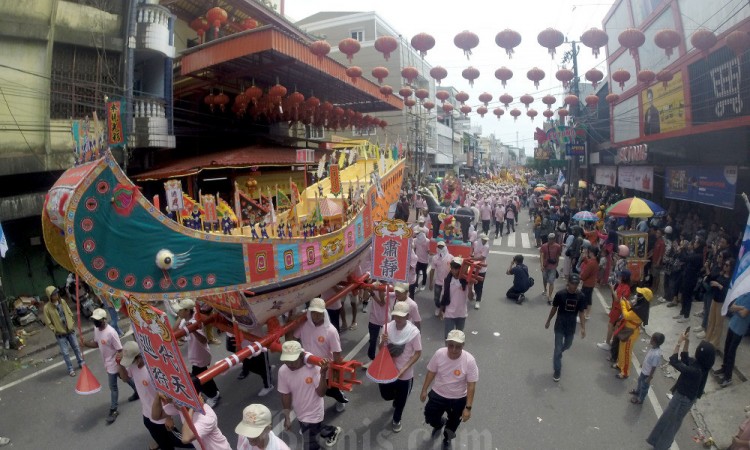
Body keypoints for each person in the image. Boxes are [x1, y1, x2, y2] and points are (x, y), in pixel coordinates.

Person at [646, 334, 715, 450]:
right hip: (684, 398)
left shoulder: (696, 371)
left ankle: (661, 446)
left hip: (682, 399)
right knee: (668, 421)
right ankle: (656, 442)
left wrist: (678, 343)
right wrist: (686, 342)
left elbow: (674, 361)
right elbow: (685, 358)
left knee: (670, 424)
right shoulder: (702, 366)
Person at [118, 341, 190, 450]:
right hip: (147, 414)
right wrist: (119, 365)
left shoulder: (153, 369)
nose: (130, 363)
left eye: (131, 360)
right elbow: (125, 378)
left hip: (161, 415)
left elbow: (166, 393)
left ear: (138, 357)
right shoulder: (133, 365)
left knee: (182, 441)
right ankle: (160, 442)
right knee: (162, 440)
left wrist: (168, 417)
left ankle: (204, 443)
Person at [278, 341, 342, 449]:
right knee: (314, 428)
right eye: (286, 360)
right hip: (300, 412)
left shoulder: (313, 368)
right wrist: (287, 417)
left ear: (301, 356)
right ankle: (332, 431)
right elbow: (285, 394)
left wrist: (322, 375)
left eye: (292, 361)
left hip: (314, 411)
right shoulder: (283, 371)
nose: (289, 364)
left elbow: (321, 393)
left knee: (310, 444)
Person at [420, 330, 478, 450]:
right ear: (447, 344)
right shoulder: (439, 354)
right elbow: (431, 372)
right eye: (451, 345)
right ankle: (440, 423)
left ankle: (447, 438)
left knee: (452, 425)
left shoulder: (470, 361)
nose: (454, 350)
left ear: (463, 346)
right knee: (430, 417)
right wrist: (424, 389)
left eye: (458, 347)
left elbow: (471, 385)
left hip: (458, 399)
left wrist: (468, 408)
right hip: (438, 394)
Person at [80, 308, 138, 424]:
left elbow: (120, 350)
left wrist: (119, 365)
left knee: (113, 387)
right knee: (124, 378)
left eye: (98, 320)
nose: (95, 322)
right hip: (107, 363)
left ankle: (113, 410)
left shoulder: (111, 332)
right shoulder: (96, 329)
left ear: (104, 320)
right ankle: (137, 390)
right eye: (94, 320)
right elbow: (97, 343)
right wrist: (85, 343)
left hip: (114, 363)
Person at [292, 298, 348, 412]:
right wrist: (292, 320)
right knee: (313, 391)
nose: (316, 316)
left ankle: (341, 399)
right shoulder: (304, 325)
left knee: (331, 391)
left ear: (324, 313)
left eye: (319, 313)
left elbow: (337, 354)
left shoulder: (331, 331)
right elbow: (293, 339)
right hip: (308, 368)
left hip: (326, 370)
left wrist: (337, 372)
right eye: (313, 312)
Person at [378, 301, 422, 432]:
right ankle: (396, 399)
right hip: (387, 370)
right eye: (396, 316)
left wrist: (405, 368)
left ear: (408, 316)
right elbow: (380, 350)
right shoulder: (386, 327)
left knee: (401, 401)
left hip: (405, 374)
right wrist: (383, 342)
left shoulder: (414, 332)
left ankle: (397, 419)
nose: (398, 319)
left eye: (401, 316)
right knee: (385, 395)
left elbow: (418, 352)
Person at [174, 299, 221, 408]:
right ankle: (215, 392)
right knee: (204, 376)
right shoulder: (186, 318)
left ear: (187, 310)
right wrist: (181, 316)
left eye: (179, 311)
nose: (177, 313)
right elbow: (175, 328)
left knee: (200, 378)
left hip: (201, 355)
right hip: (195, 354)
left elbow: (204, 340)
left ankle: (214, 395)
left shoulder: (195, 321)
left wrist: (193, 330)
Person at [153, 390, 232, 450]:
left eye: (175, 399)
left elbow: (186, 438)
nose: (171, 401)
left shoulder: (206, 416)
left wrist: (191, 409)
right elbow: (156, 416)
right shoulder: (180, 407)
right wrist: (157, 395)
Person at [544, 274, 586, 382]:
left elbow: (581, 312)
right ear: (568, 283)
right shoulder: (560, 294)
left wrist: (583, 327)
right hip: (560, 325)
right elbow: (554, 308)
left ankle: (559, 353)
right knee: (557, 349)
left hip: (571, 326)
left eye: (576, 284)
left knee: (568, 345)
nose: (574, 286)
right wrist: (548, 321)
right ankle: (557, 369)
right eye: (572, 283)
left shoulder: (580, 296)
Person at [42, 285, 84, 377]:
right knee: (65, 353)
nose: (56, 295)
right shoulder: (47, 308)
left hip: (70, 330)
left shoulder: (63, 302)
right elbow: (48, 322)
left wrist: (71, 323)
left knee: (76, 347)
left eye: (57, 293)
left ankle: (81, 362)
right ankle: (70, 369)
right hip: (60, 334)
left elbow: (69, 312)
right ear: (50, 296)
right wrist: (55, 330)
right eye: (54, 294)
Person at [713, 292, 750, 389]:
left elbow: (744, 314)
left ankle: (728, 377)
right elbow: (731, 307)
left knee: (731, 352)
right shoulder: (743, 294)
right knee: (726, 348)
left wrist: (738, 308)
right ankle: (724, 368)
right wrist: (740, 308)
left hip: (739, 329)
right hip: (732, 325)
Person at [597, 270, 632, 351]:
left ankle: (607, 343)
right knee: (613, 327)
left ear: (624, 277)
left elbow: (617, 299)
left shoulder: (626, 288)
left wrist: (612, 289)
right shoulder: (621, 285)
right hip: (615, 308)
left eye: (621, 276)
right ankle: (610, 341)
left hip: (618, 310)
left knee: (610, 325)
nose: (619, 277)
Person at [439, 257, 473, 338]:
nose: (454, 271)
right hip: (449, 313)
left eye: (457, 268)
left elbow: (471, 298)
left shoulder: (467, 281)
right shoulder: (447, 280)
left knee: (458, 338)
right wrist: (441, 310)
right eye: (453, 268)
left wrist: (470, 287)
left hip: (461, 314)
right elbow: (444, 295)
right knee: (448, 337)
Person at [703, 258, 734, 348]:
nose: (725, 266)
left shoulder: (730, 279)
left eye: (727, 265)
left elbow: (727, 292)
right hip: (715, 299)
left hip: (722, 302)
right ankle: (707, 338)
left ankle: (715, 343)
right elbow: (712, 277)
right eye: (725, 264)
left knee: (718, 324)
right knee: (711, 320)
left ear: (731, 267)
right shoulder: (721, 274)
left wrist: (718, 285)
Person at [630, 332, 664, 405]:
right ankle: (637, 391)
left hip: (647, 374)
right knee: (639, 381)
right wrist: (643, 364)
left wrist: (649, 377)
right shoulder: (653, 348)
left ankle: (640, 399)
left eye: (651, 339)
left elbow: (654, 367)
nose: (650, 340)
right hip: (644, 371)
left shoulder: (656, 354)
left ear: (654, 342)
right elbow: (648, 359)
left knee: (644, 387)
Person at [430, 241, 453, 317]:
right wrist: (431, 282)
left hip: (448, 282)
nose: (440, 248)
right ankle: (438, 307)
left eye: (442, 247)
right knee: (436, 298)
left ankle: (443, 310)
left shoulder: (450, 257)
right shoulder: (435, 258)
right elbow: (432, 270)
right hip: (438, 281)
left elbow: (454, 270)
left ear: (445, 247)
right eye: (439, 247)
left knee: (445, 297)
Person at [540, 233, 562, 304]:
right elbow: (542, 256)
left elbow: (558, 255)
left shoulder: (558, 246)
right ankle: (545, 289)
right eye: (549, 239)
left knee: (551, 281)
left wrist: (557, 264)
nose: (550, 240)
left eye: (552, 239)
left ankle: (550, 296)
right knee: (544, 278)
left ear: (554, 239)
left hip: (553, 266)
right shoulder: (544, 246)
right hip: (545, 265)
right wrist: (542, 265)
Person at [579, 246, 598, 320]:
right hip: (591, 283)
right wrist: (585, 257)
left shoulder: (591, 263)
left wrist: (580, 277)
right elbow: (589, 262)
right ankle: (587, 314)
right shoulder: (595, 261)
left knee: (584, 300)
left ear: (591, 253)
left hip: (587, 283)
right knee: (589, 299)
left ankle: (582, 315)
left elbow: (585, 275)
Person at [471, 234, 489, 310]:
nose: (485, 241)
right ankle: (475, 292)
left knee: (480, 285)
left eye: (486, 240)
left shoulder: (486, 247)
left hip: (481, 268)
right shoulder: (475, 243)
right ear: (480, 240)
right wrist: (471, 254)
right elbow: (472, 249)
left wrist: (473, 258)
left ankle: (478, 300)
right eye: (483, 240)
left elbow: (482, 258)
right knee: (474, 282)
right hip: (474, 267)